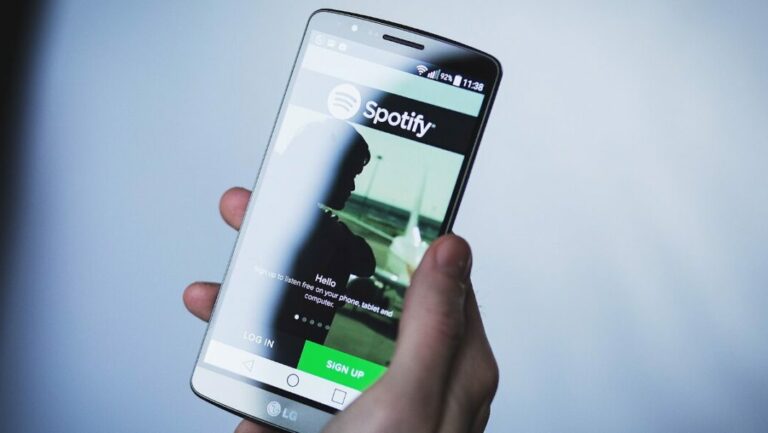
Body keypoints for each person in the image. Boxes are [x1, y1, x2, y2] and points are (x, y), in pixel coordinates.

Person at [183, 187, 499, 433]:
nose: (352, 186)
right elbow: (365, 263)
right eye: (351, 174)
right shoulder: (327, 231)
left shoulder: (312, 225)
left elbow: (364, 263)